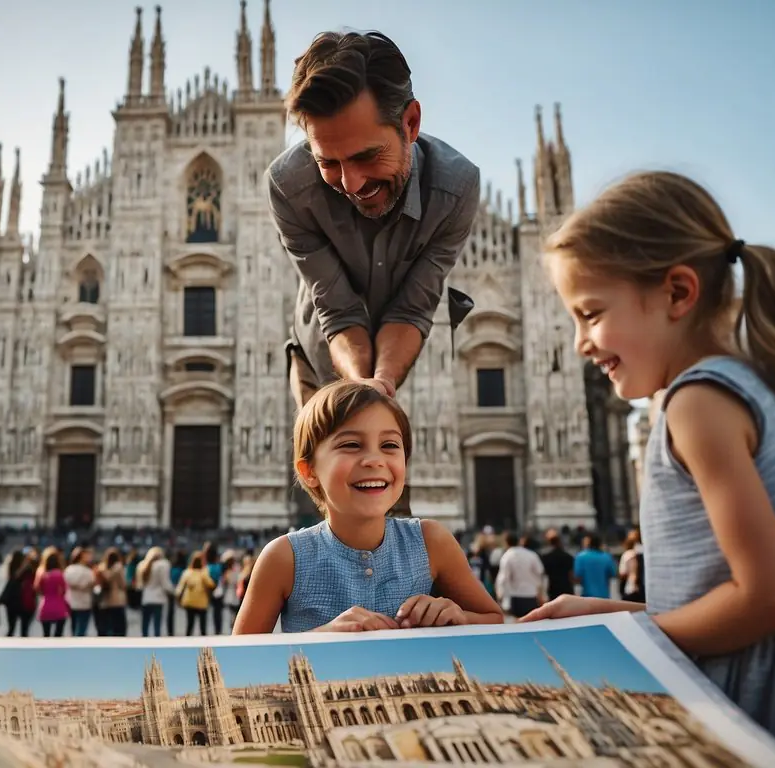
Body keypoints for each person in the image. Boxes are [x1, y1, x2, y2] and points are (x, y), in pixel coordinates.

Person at [521, 170, 775, 767]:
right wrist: (610, 613)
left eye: (590, 314)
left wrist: (629, 636)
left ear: (677, 293)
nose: (579, 343)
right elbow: (745, 594)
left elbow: (768, 599)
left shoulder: (697, 403)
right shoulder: (751, 380)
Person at [270, 30, 480, 416]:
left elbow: (413, 306)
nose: (351, 184)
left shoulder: (455, 189)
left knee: (390, 463)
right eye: (328, 163)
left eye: (367, 156)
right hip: (322, 356)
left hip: (418, 363)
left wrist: (380, 383)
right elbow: (336, 307)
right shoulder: (289, 185)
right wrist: (360, 388)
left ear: (411, 124)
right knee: (330, 463)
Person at [232, 381, 503, 634]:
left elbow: (494, 620)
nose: (374, 460)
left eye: (389, 445)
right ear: (309, 470)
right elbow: (238, 659)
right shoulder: (285, 558)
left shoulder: (431, 542)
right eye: (351, 445)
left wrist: (456, 616)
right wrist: (320, 638)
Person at [495, 533, 545, 618]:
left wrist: (500, 597)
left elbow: (503, 579)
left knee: (519, 624)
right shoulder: (531, 554)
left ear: (506, 542)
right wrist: (542, 594)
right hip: (532, 595)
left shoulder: (507, 556)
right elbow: (540, 573)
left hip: (516, 596)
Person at [571, 534, 617, 599]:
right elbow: (613, 573)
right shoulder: (607, 557)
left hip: (587, 596)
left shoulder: (580, 557)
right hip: (604, 596)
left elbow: (577, 576)